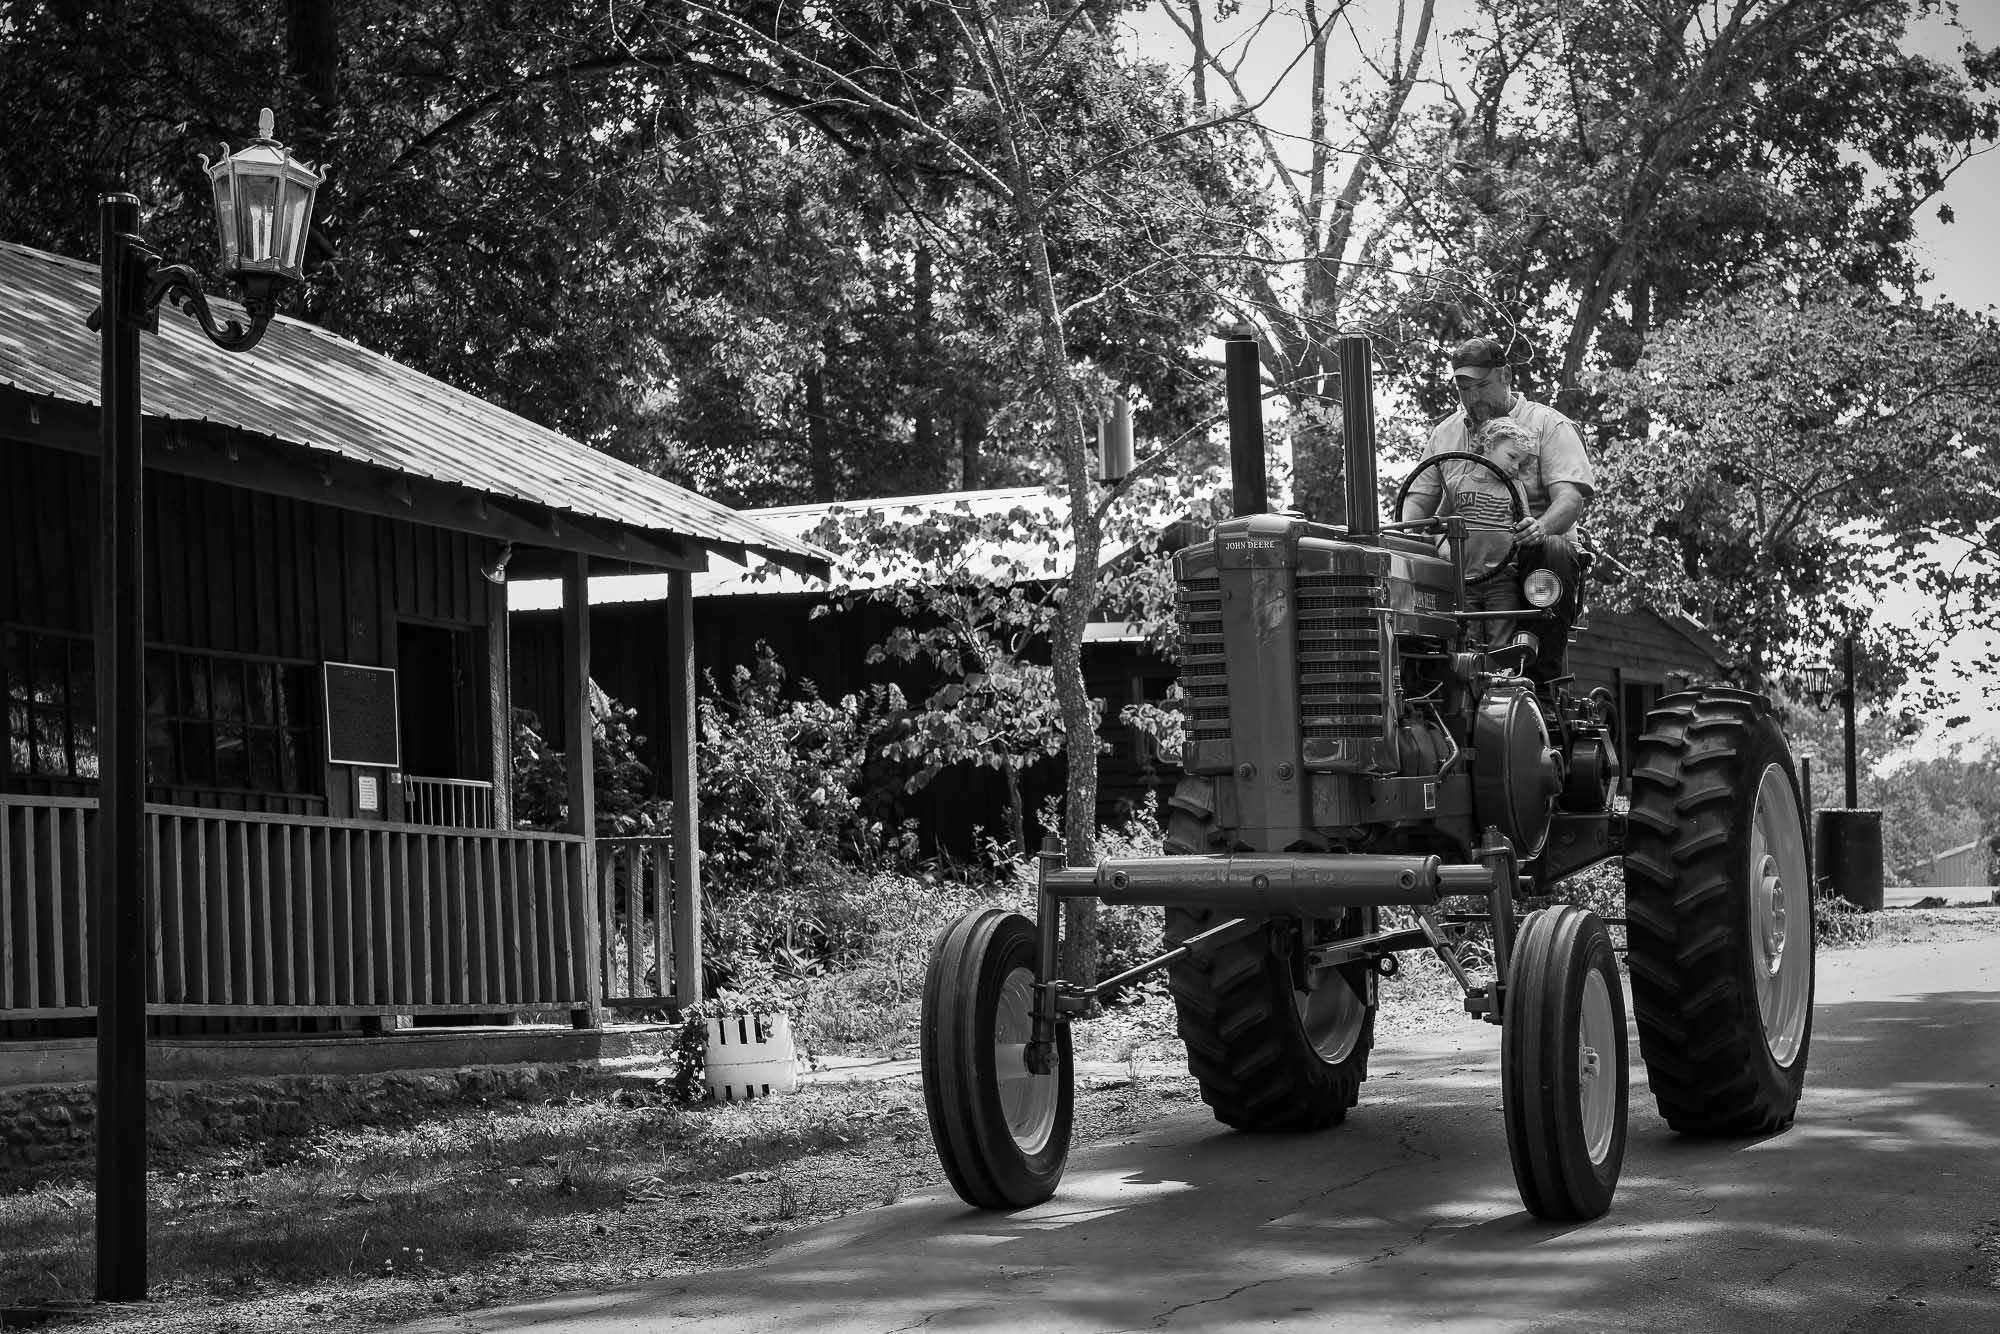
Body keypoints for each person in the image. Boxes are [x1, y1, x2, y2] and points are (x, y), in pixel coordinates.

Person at [1400, 336, 1595, 674]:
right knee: (1403, 553)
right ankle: (1423, 675)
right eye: (1464, 390)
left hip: (1524, 557)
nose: (1473, 397)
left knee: (1554, 549)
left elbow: (1569, 499)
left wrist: (1539, 528)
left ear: (1506, 376)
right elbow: (1418, 500)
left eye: (1482, 386)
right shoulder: (1445, 434)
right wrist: (1410, 539)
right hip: (1462, 559)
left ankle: (1537, 678)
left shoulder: (1549, 425)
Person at [1436, 417, 1537, 654]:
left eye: (1520, 463)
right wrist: (1443, 548)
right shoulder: (1457, 484)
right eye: (1512, 457)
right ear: (1489, 445)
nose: (1516, 467)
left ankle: (1502, 676)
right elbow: (1438, 523)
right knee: (1466, 642)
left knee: (1501, 642)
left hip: (1502, 579)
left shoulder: (1514, 487)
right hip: (1464, 581)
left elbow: (1525, 524)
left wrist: (1531, 528)